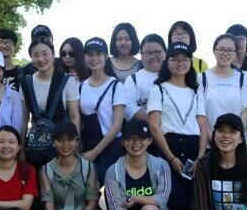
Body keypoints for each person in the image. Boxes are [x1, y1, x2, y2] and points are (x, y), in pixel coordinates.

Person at [147, 42, 209, 210]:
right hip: (168, 147)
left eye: (184, 59)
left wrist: (201, 155)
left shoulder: (196, 90)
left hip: (193, 149)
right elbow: (154, 126)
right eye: (175, 59)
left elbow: (202, 124)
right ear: (167, 62)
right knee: (176, 200)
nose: (180, 63)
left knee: (193, 201)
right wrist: (171, 157)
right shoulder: (158, 89)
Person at [20, 38, 81, 167]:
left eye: (45, 53)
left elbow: (74, 116)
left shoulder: (67, 81)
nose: (41, 59)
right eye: (35, 55)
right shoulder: (26, 83)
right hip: (36, 148)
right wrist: (21, 150)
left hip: (62, 147)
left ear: (53, 55)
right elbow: (24, 119)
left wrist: (76, 146)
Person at [79, 37, 126, 186]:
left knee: (96, 185)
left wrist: (96, 152)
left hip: (111, 147)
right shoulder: (81, 86)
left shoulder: (116, 86)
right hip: (88, 144)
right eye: (90, 54)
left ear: (106, 56)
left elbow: (117, 125)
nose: (94, 58)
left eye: (98, 54)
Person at [202, 33, 247, 135]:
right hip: (210, 141)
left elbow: (246, 111)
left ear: (235, 53)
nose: (225, 53)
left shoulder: (243, 78)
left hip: (237, 141)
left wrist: (236, 136)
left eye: (230, 50)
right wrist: (213, 138)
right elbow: (201, 115)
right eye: (221, 49)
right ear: (214, 51)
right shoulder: (202, 78)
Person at [124, 34, 166, 122]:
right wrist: (155, 124)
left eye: (157, 52)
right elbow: (128, 107)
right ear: (141, 55)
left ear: (165, 52)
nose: (152, 56)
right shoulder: (133, 79)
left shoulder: (175, 76)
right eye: (147, 53)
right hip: (145, 129)